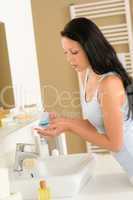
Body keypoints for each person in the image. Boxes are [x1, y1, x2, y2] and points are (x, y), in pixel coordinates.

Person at [35, 17, 133, 184]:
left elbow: (115, 143)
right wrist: (63, 123)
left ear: (90, 48)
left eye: (74, 52)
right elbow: (97, 124)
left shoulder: (109, 83)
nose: (69, 59)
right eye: (65, 52)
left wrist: (70, 125)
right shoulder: (86, 74)